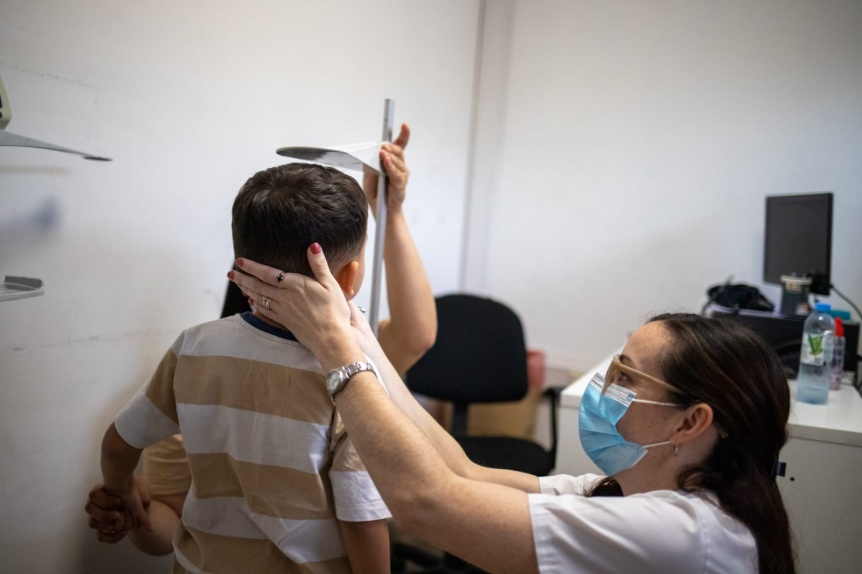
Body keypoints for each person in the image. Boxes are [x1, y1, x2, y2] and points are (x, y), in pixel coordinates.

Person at [229, 247, 796, 574]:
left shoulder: (681, 534)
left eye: (626, 376)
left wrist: (336, 355)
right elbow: (461, 471)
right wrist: (355, 332)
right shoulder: (627, 491)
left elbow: (427, 503)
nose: (606, 386)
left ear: (691, 421)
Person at [86, 125, 438, 558]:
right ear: (351, 277)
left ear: (242, 267)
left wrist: (120, 492)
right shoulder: (350, 378)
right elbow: (364, 529)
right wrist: (137, 514)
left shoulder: (193, 355)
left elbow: (120, 447)